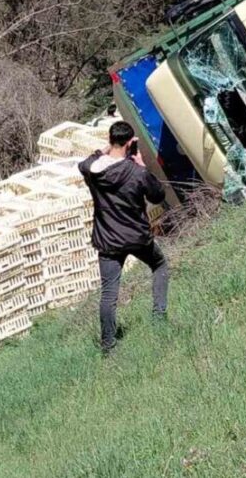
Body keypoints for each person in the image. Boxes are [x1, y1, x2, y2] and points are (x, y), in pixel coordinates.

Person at [79, 121, 168, 354]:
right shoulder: (136, 172)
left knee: (109, 293)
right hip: (137, 237)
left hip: (108, 241)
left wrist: (107, 150)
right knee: (159, 265)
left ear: (110, 140)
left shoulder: (91, 170)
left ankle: (108, 345)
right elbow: (158, 196)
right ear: (130, 143)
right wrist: (141, 165)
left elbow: (86, 162)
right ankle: (159, 316)